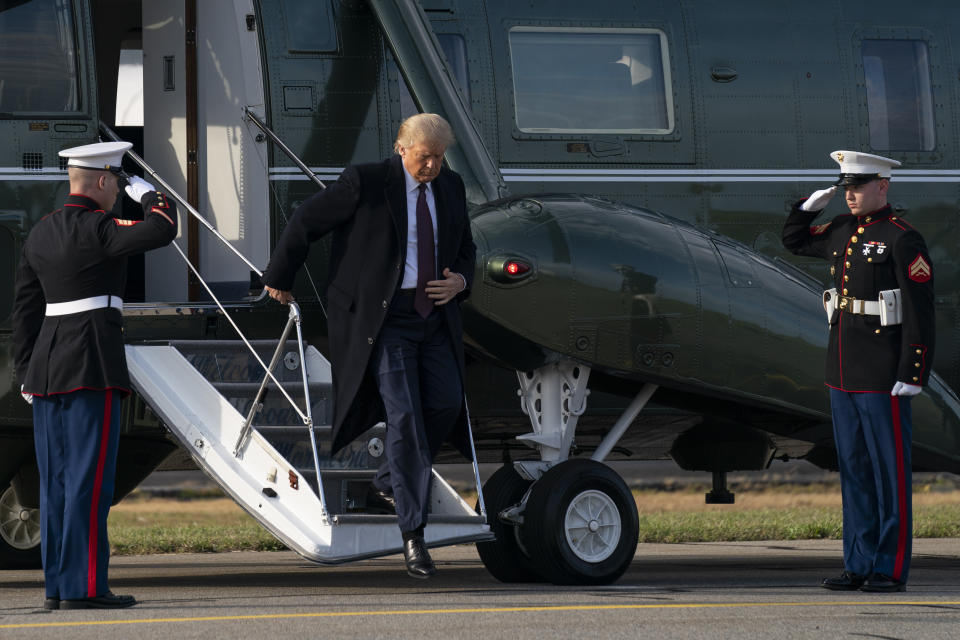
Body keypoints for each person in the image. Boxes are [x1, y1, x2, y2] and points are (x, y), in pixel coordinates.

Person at [262, 113, 476, 578]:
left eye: (440, 158)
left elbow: (466, 248)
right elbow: (306, 219)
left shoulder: (451, 186)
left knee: (444, 403)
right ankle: (413, 535)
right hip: (384, 320)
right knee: (404, 416)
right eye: (425, 157)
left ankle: (387, 481)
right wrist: (280, 275)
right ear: (403, 148)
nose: (433, 167)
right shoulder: (367, 182)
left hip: (435, 318)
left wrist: (461, 280)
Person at [12, 141, 178, 609]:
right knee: (88, 480)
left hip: (45, 372)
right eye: (116, 182)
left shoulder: (40, 233)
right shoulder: (102, 228)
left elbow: (24, 311)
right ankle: (85, 588)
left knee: (56, 483)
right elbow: (163, 228)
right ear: (104, 181)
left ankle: (57, 589)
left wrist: (26, 371)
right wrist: (145, 192)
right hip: (91, 366)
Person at [783, 150, 935, 593]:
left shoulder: (902, 238)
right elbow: (795, 241)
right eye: (846, 188)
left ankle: (889, 568)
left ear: (882, 185)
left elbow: (919, 312)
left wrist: (913, 370)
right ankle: (858, 562)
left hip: (883, 371)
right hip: (843, 369)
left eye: (858, 187)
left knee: (889, 472)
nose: (850, 195)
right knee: (853, 470)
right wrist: (805, 208)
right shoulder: (843, 230)